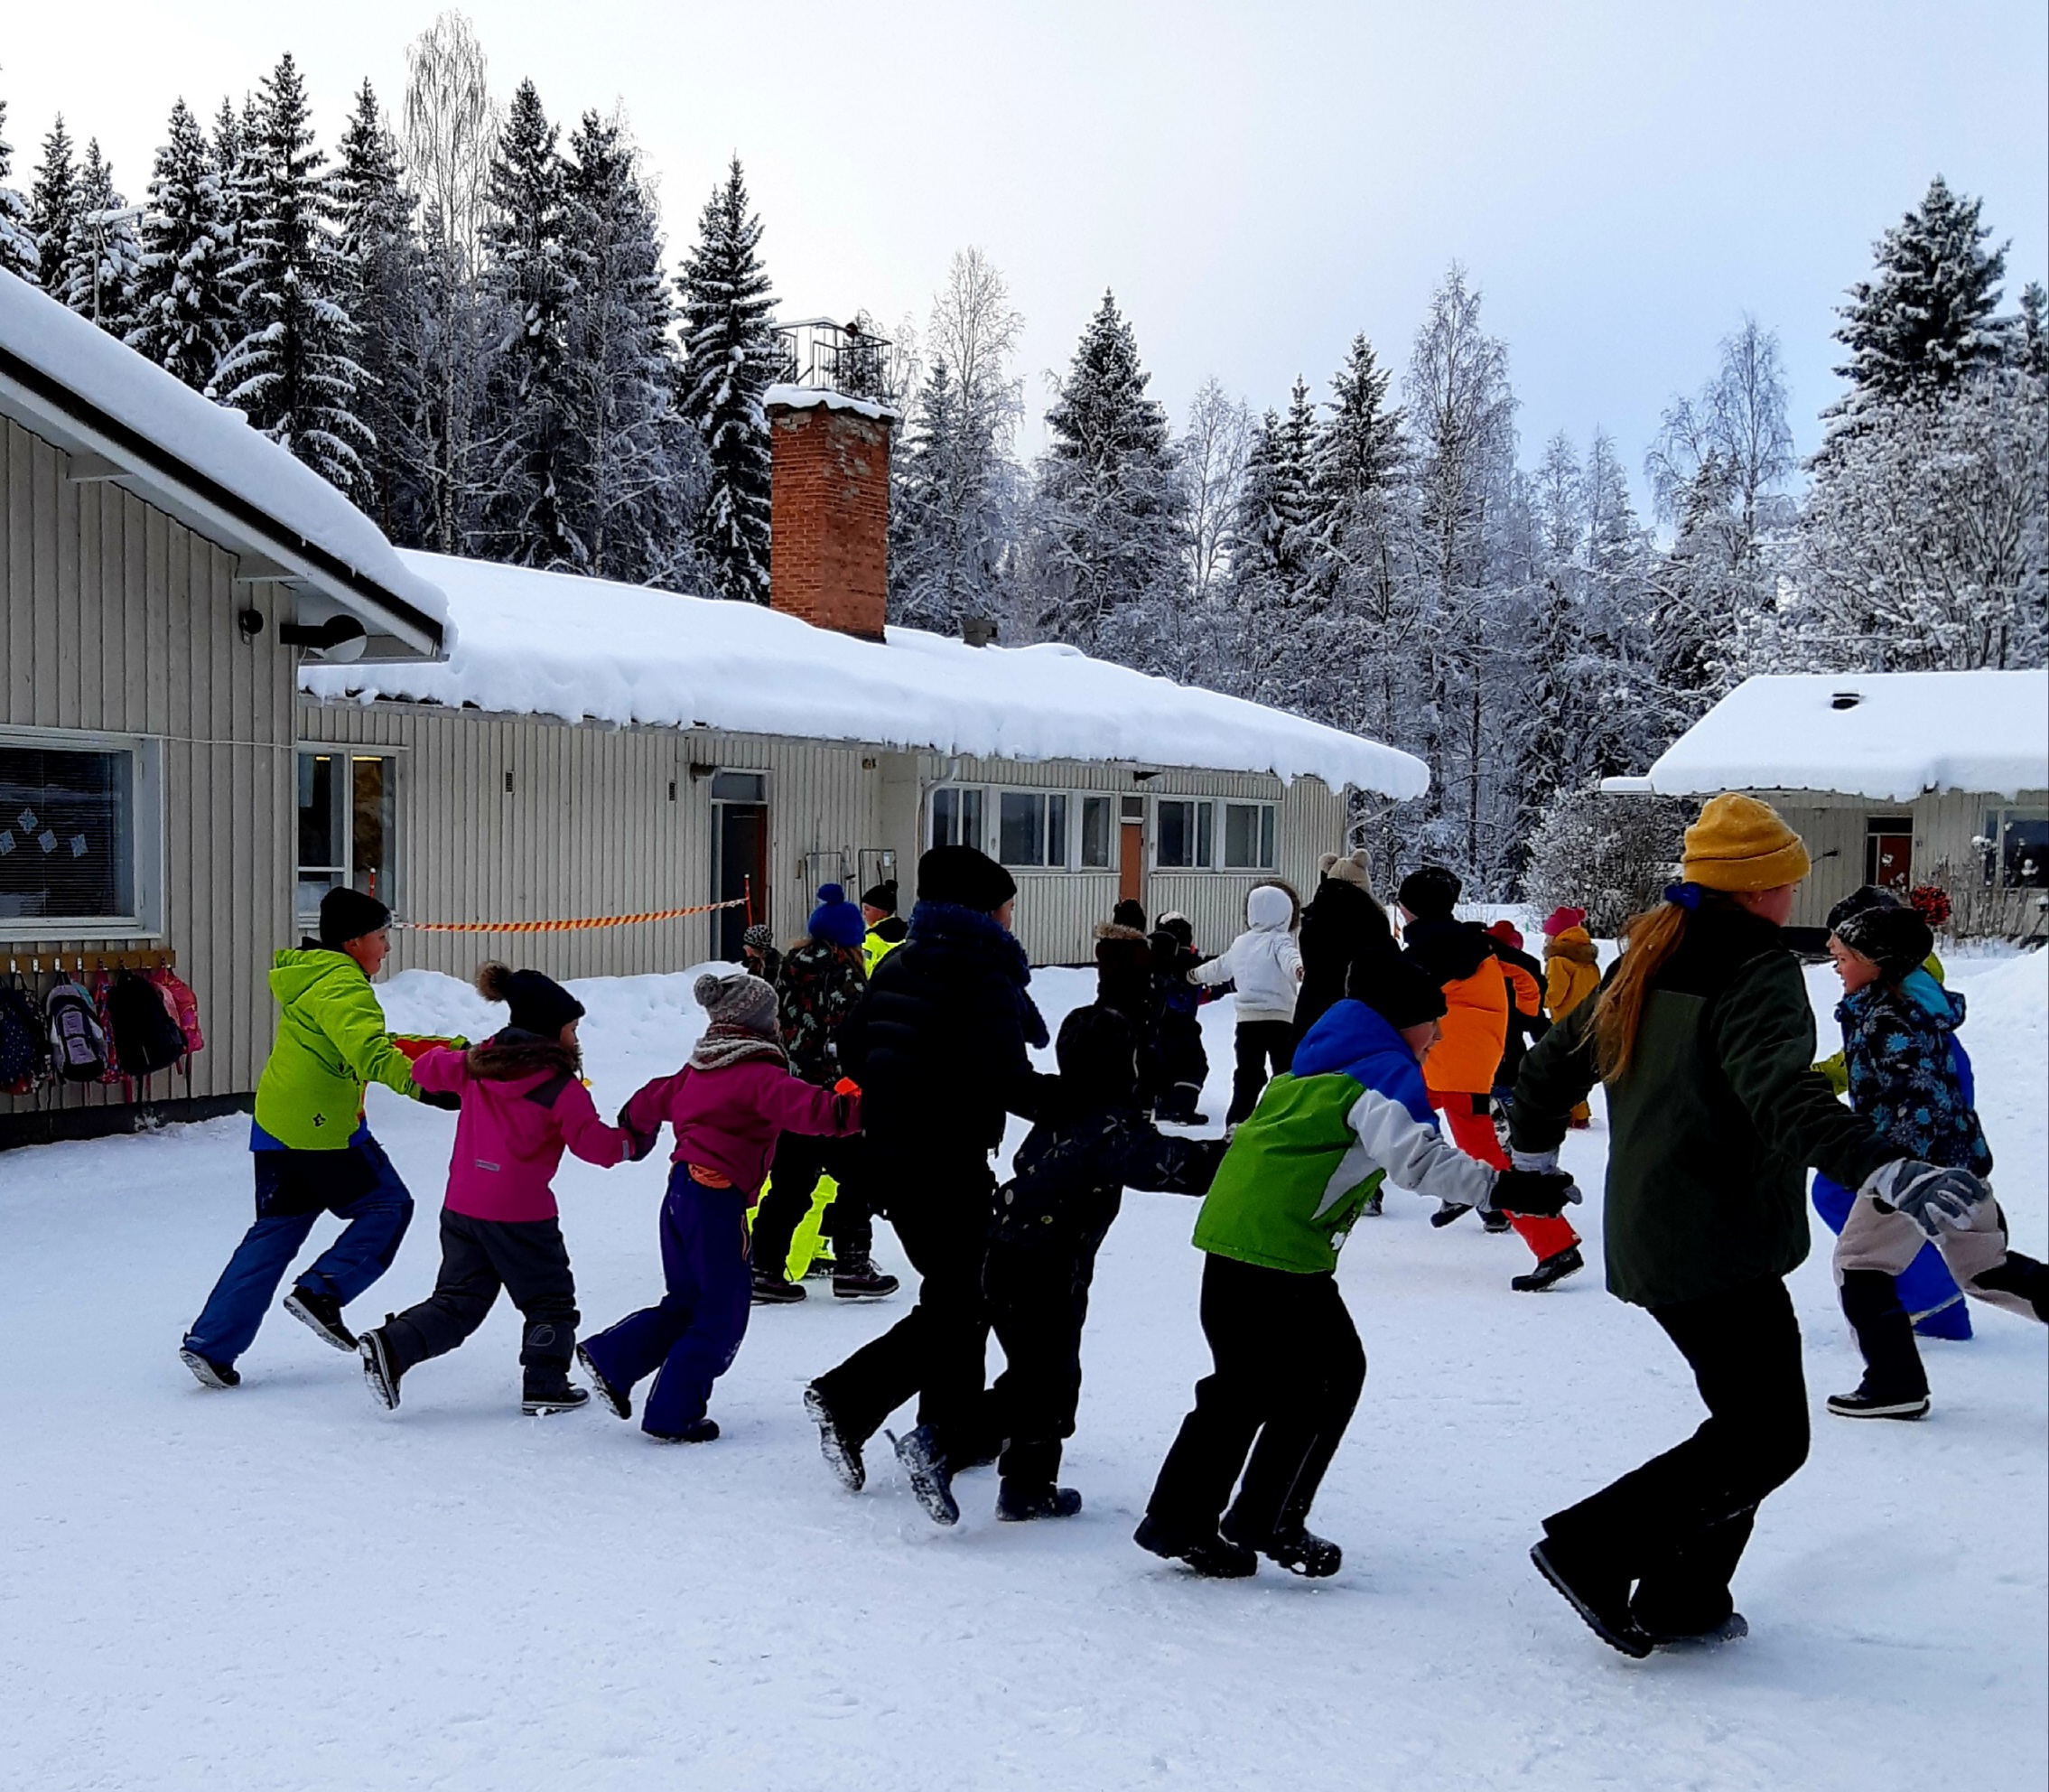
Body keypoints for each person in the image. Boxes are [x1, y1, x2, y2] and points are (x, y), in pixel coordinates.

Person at [1509, 792, 1996, 1657]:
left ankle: (1685, 1598)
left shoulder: (1651, 950)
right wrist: (1883, 1165)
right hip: (1715, 1236)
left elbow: (1550, 1065)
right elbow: (1781, 1098)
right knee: (1766, 1437)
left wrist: (1535, 1162)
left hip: (1663, 1227)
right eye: (1788, 881)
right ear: (1762, 887)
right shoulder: (1754, 968)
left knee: (1746, 1424)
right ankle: (1593, 1548)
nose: (1793, 895)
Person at [1136, 961, 1579, 1579]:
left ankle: (1183, 1518)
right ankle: (1266, 1517)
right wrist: (1511, 1189)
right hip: (1281, 1255)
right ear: (1400, 1021)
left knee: (1242, 1387)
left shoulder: (1306, 1068)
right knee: (1329, 1377)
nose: (1437, 1036)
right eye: (1432, 1023)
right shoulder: (1381, 1075)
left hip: (1230, 1243)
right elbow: (1418, 1162)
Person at [803, 845, 1048, 1526]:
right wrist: (1084, 1106)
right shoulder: (983, 974)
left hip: (889, 1155)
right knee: (969, 1294)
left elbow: (853, 1048)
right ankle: (848, 1398)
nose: (1010, 918)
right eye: (1006, 906)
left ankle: (949, 1427)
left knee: (955, 1289)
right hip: (944, 1158)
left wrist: (902, 1086)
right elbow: (1007, 1079)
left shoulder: (901, 962)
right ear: (983, 910)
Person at [576, 973, 861, 1443]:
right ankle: (675, 1413)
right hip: (715, 1199)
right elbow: (820, 1113)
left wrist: (635, 1134)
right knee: (722, 1312)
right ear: (761, 1024)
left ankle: (614, 1359)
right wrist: (862, 1103)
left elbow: (648, 1099)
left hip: (680, 1193)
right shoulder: (758, 1076)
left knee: (687, 1300)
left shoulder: (698, 1069)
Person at [179, 889, 442, 1389]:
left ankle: (211, 1344)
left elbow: (364, 1043)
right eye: (381, 936)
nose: (387, 947)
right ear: (353, 941)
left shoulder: (312, 976)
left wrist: (449, 1052)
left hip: (278, 1123)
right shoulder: (343, 984)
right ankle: (322, 1292)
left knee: (275, 1231)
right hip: (320, 1128)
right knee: (389, 1207)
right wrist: (424, 1087)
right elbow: (369, 1052)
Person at [982, 1005, 1226, 1521]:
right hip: (1043, 1267)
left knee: (1043, 1375)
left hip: (1012, 1254)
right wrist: (1234, 1154)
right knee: (1043, 1383)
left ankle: (1027, 1487)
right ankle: (945, 1443)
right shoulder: (1110, 1127)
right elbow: (1176, 1168)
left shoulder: (1062, 1103)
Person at [356, 966, 635, 1415]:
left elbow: (425, 1070)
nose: (574, 1037)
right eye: (571, 1027)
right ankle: (545, 1384)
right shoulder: (559, 1086)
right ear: (550, 1030)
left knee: (459, 1302)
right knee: (549, 1299)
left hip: (463, 1205)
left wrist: (467, 1057)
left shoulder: (476, 1066)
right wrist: (632, 1140)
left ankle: (392, 1346)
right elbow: (596, 1147)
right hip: (521, 1215)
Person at [1821, 895, 2047, 1419]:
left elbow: (1916, 1099)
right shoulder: (1915, 1006)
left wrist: (1898, 1175)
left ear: (1877, 963)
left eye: (1844, 958)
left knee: (1861, 1265)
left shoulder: (1886, 1019)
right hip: (1959, 1160)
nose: (1836, 967)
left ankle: (1894, 1384)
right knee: (1985, 1268)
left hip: (1914, 1168)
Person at [1398, 867, 1581, 1291]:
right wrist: (1525, 1013)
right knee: (1395, 1115)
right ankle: (1461, 1189)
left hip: (1450, 1062)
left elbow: (1397, 999)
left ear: (1412, 910)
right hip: (1467, 1059)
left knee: (1481, 1153)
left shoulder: (1425, 950)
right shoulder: (1474, 941)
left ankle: (1554, 1245)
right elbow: (1527, 972)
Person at [1810, 887, 1971, 1342]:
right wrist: (1822, 1078)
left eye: (1842, 952)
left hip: (1920, 1108)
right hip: (1913, 1101)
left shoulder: (1895, 1001)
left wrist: (1894, 1154)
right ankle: (1926, 1301)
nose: (1834, 962)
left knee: (1850, 1194)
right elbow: (1864, 1060)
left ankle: (1934, 1306)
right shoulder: (1888, 985)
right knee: (1865, 1199)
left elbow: (1900, 1065)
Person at [750, 883, 897, 1303]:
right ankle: (852, 1265)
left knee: (790, 1184)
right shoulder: (847, 978)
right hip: (837, 1097)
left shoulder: (786, 970)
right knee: (860, 1178)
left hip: (791, 1094)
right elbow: (853, 1038)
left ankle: (762, 1267)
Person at [1193, 882, 1304, 1126]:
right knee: (1285, 1073)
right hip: (1280, 1021)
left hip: (1248, 1024)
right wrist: (1299, 970)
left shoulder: (1241, 943)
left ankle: (1237, 1121)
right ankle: (1282, 1118)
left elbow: (1220, 967)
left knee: (1248, 1075)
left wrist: (1195, 975)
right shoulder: (1280, 940)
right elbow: (1290, 959)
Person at [1294, 849, 1400, 1041]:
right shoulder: (1371, 920)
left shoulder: (1313, 917)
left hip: (1313, 1012)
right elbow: (1391, 965)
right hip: (1361, 1014)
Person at [1541, 908, 1600, 1128]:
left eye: (1548, 935)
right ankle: (1581, 1113)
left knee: (1561, 1070)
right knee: (1577, 1069)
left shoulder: (1558, 960)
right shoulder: (1587, 958)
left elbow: (1554, 995)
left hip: (1565, 1023)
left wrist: (1538, 997)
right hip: (1588, 1019)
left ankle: (1571, 1115)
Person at [1149, 912, 1210, 1124]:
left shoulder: (1152, 960)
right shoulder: (1192, 962)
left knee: (1164, 1063)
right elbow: (1198, 993)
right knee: (1193, 1065)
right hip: (1182, 1023)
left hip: (1155, 1023)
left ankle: (1163, 1105)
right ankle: (1183, 1110)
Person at [1484, 919, 1548, 1117]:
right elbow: (1533, 1014)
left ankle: (1497, 1114)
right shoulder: (1523, 972)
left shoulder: (1478, 969)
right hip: (1510, 1043)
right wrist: (1545, 1034)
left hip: (1486, 1044)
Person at [859, 879, 909, 975]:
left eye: (867, 909)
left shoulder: (872, 938)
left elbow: (868, 970)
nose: (864, 913)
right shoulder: (908, 932)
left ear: (882, 912)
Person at [740, 923, 783, 990]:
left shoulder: (776, 964)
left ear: (755, 949)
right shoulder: (752, 963)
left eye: (747, 945)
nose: (744, 947)